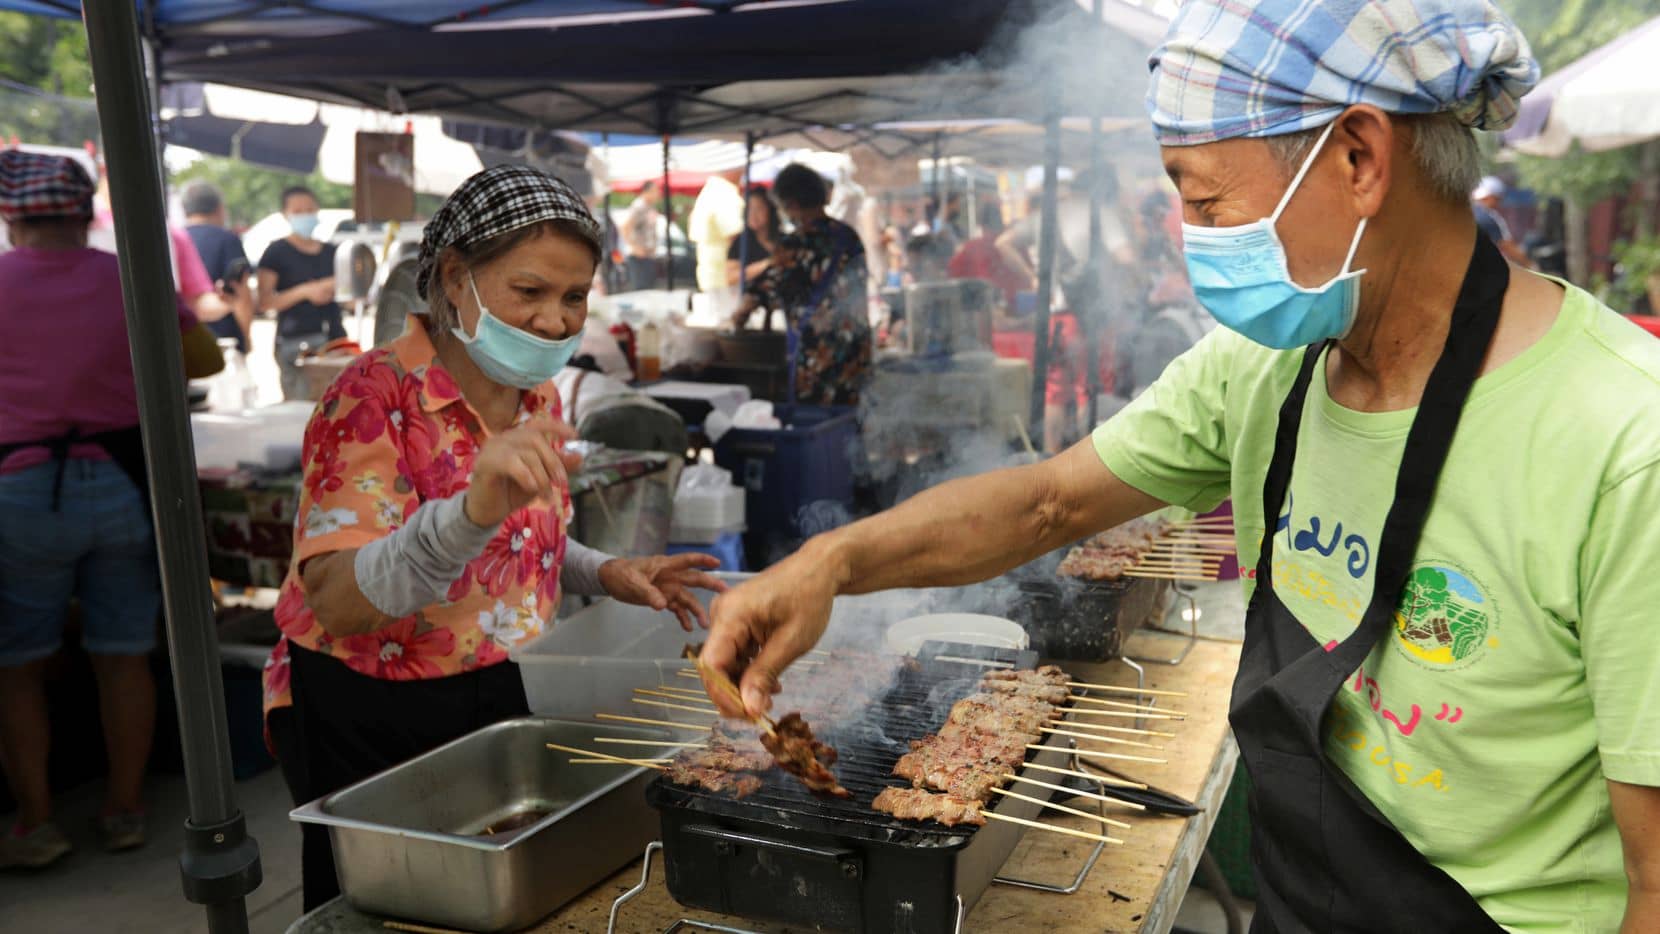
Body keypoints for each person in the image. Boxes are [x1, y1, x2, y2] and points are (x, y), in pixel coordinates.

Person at [700, 2, 1660, 930]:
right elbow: (1043, 503)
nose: (1191, 233)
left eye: (1204, 197)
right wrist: (828, 565)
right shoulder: (1265, 369)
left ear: (1360, 158)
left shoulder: (1626, 438)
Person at [262, 164, 725, 910]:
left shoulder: (531, 392)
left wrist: (607, 573)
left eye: (574, 297)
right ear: (454, 278)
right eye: (531, 291)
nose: (556, 321)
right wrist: (468, 511)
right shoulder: (371, 396)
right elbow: (340, 602)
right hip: (371, 709)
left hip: (506, 683)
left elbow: (521, 547)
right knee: (400, 907)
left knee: (509, 890)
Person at [0, 151, 222, 869]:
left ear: (10, 214)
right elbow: (205, 363)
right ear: (83, 209)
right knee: (124, 655)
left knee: (18, 666)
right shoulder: (128, 276)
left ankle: (36, 823)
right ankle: (124, 810)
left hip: (21, 492)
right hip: (129, 485)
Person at [732, 165, 872, 406]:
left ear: (792, 204)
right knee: (849, 427)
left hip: (818, 356)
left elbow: (766, 287)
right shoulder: (848, 236)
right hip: (856, 352)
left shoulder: (795, 243)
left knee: (816, 425)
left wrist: (739, 317)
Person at [256, 186, 345, 400]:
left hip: (334, 340)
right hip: (295, 343)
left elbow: (351, 293)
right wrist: (305, 292)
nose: (305, 215)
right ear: (285, 214)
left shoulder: (333, 252)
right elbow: (265, 301)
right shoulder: (276, 252)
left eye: (309, 209)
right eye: (298, 211)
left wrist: (332, 286)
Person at [182, 181, 256, 353]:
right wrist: (246, 338)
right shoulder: (227, 240)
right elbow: (241, 294)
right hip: (224, 341)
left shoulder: (173, 240)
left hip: (185, 340)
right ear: (219, 208)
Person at [947, 203, 1028, 310]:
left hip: (987, 315)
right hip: (1022, 311)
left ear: (981, 225)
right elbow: (1031, 279)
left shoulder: (971, 248)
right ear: (1001, 222)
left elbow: (952, 274)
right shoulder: (1017, 246)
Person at [688, 169, 745, 293]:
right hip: (724, 276)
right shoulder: (724, 193)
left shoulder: (711, 190)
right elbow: (734, 234)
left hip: (712, 274)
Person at [726, 185, 781, 289]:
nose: (753, 214)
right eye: (749, 209)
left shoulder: (783, 240)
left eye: (759, 208)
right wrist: (767, 264)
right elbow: (730, 277)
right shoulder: (741, 242)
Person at [1471, 175, 1533, 267]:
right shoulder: (1488, 217)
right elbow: (1507, 246)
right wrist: (1531, 266)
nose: (1499, 203)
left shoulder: (1464, 211)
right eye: (1498, 199)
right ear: (1492, 197)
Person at [620, 179, 662, 292]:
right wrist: (634, 247)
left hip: (648, 255)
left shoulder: (650, 207)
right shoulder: (639, 207)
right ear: (646, 192)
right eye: (655, 191)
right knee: (641, 290)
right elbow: (625, 227)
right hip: (638, 257)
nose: (658, 194)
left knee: (649, 290)